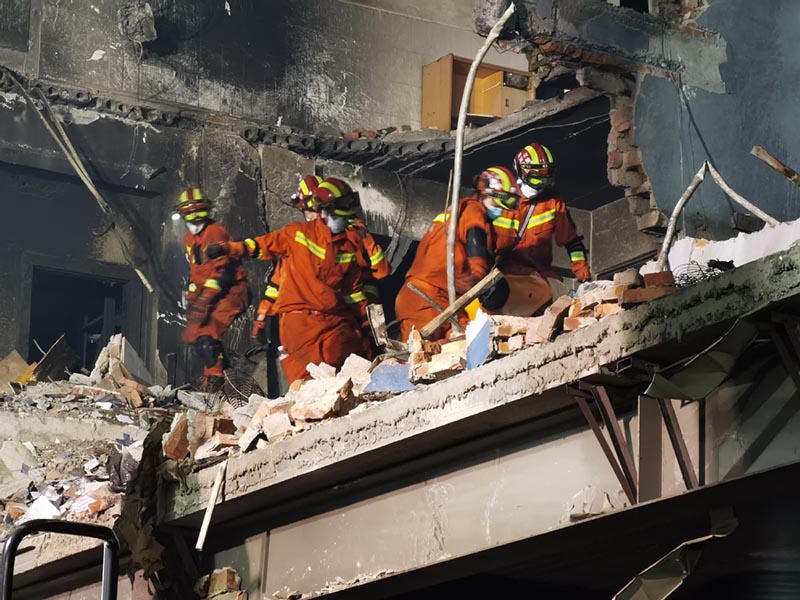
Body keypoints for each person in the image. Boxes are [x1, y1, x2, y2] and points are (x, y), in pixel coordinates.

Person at [206, 178, 388, 383]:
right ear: (325, 212)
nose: (346, 221)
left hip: (334, 320)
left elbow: (355, 292)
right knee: (308, 383)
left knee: (358, 364)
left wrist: (367, 327)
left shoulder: (349, 245)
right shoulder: (297, 234)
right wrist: (226, 249)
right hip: (300, 323)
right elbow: (260, 247)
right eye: (340, 215)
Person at [395, 167, 518, 342]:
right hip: (425, 301)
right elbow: (478, 258)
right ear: (486, 194)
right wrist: (487, 286)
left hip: (446, 302)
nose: (504, 209)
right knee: (421, 359)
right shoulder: (473, 212)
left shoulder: (460, 212)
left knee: (467, 345)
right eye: (502, 201)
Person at [481, 143, 591, 317]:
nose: (541, 185)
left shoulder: (553, 203)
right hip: (505, 279)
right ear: (522, 173)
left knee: (567, 306)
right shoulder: (499, 202)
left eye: (546, 179)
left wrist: (584, 276)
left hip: (540, 277)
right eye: (536, 179)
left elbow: (571, 241)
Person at [177, 188, 250, 391]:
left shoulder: (215, 232)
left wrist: (203, 301)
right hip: (208, 295)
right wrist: (192, 299)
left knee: (207, 336)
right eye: (189, 214)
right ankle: (219, 375)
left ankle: (218, 384)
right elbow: (196, 273)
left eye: (199, 212)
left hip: (231, 292)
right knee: (197, 339)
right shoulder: (189, 240)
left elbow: (222, 273)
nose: (195, 218)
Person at [251, 175, 323, 339]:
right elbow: (279, 280)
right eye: (308, 210)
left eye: (316, 209)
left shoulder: (346, 235)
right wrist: (263, 314)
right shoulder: (300, 239)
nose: (313, 216)